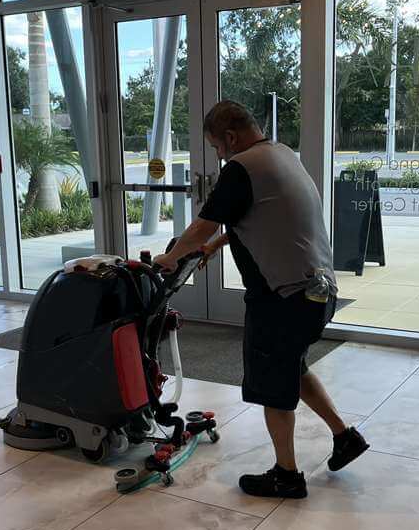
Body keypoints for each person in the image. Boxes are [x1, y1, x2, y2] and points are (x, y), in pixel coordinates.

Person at [154, 99, 369, 498]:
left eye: (216, 147)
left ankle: (286, 475)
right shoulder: (280, 155)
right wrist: (216, 246)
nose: (219, 155)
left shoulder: (241, 167)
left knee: (273, 385)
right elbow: (265, 217)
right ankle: (345, 436)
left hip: (283, 299)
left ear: (230, 137)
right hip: (318, 292)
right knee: (291, 367)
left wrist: (169, 258)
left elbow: (201, 225)